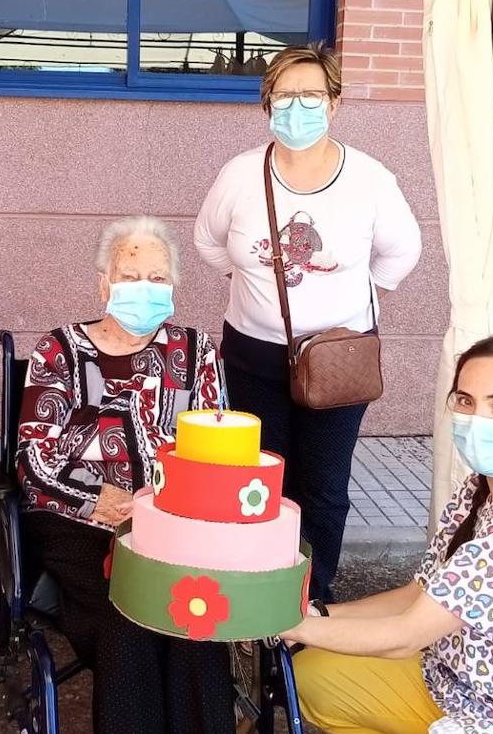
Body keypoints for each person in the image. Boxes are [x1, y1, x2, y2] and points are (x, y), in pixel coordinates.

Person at [280, 336, 493, 734]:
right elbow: (418, 594)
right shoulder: (486, 484)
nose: (478, 419)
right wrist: (317, 616)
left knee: (321, 657)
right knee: (312, 677)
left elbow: (407, 635)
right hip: (457, 686)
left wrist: (289, 625)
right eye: (465, 401)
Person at [194, 44, 422, 602]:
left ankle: (309, 598)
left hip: (337, 361)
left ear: (335, 103)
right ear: (266, 105)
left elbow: (402, 253)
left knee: (321, 487)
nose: (297, 109)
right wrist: (251, 280)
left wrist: (355, 298)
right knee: (259, 480)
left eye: (311, 96)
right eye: (284, 96)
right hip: (253, 356)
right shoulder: (240, 174)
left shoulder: (370, 179)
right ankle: (256, 590)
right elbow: (208, 243)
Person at [17, 217, 234, 734]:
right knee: (130, 610)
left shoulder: (197, 352)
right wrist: (94, 500)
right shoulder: (60, 350)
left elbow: (219, 450)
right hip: (81, 523)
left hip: (173, 523)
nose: (144, 288)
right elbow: (32, 462)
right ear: (103, 283)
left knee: (194, 612)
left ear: (175, 287)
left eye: (158, 278)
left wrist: (169, 503)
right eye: (129, 274)